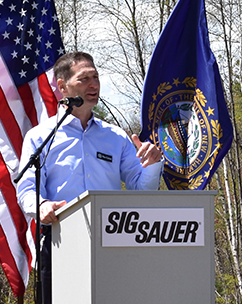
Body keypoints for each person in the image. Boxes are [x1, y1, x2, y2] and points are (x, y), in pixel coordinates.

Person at [16, 51, 163, 303]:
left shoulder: (116, 137)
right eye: (84, 79)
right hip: (61, 242)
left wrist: (152, 165)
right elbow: (26, 187)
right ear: (62, 87)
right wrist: (40, 206)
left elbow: (142, 190)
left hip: (113, 241)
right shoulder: (40, 137)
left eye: (95, 77)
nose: (93, 84)